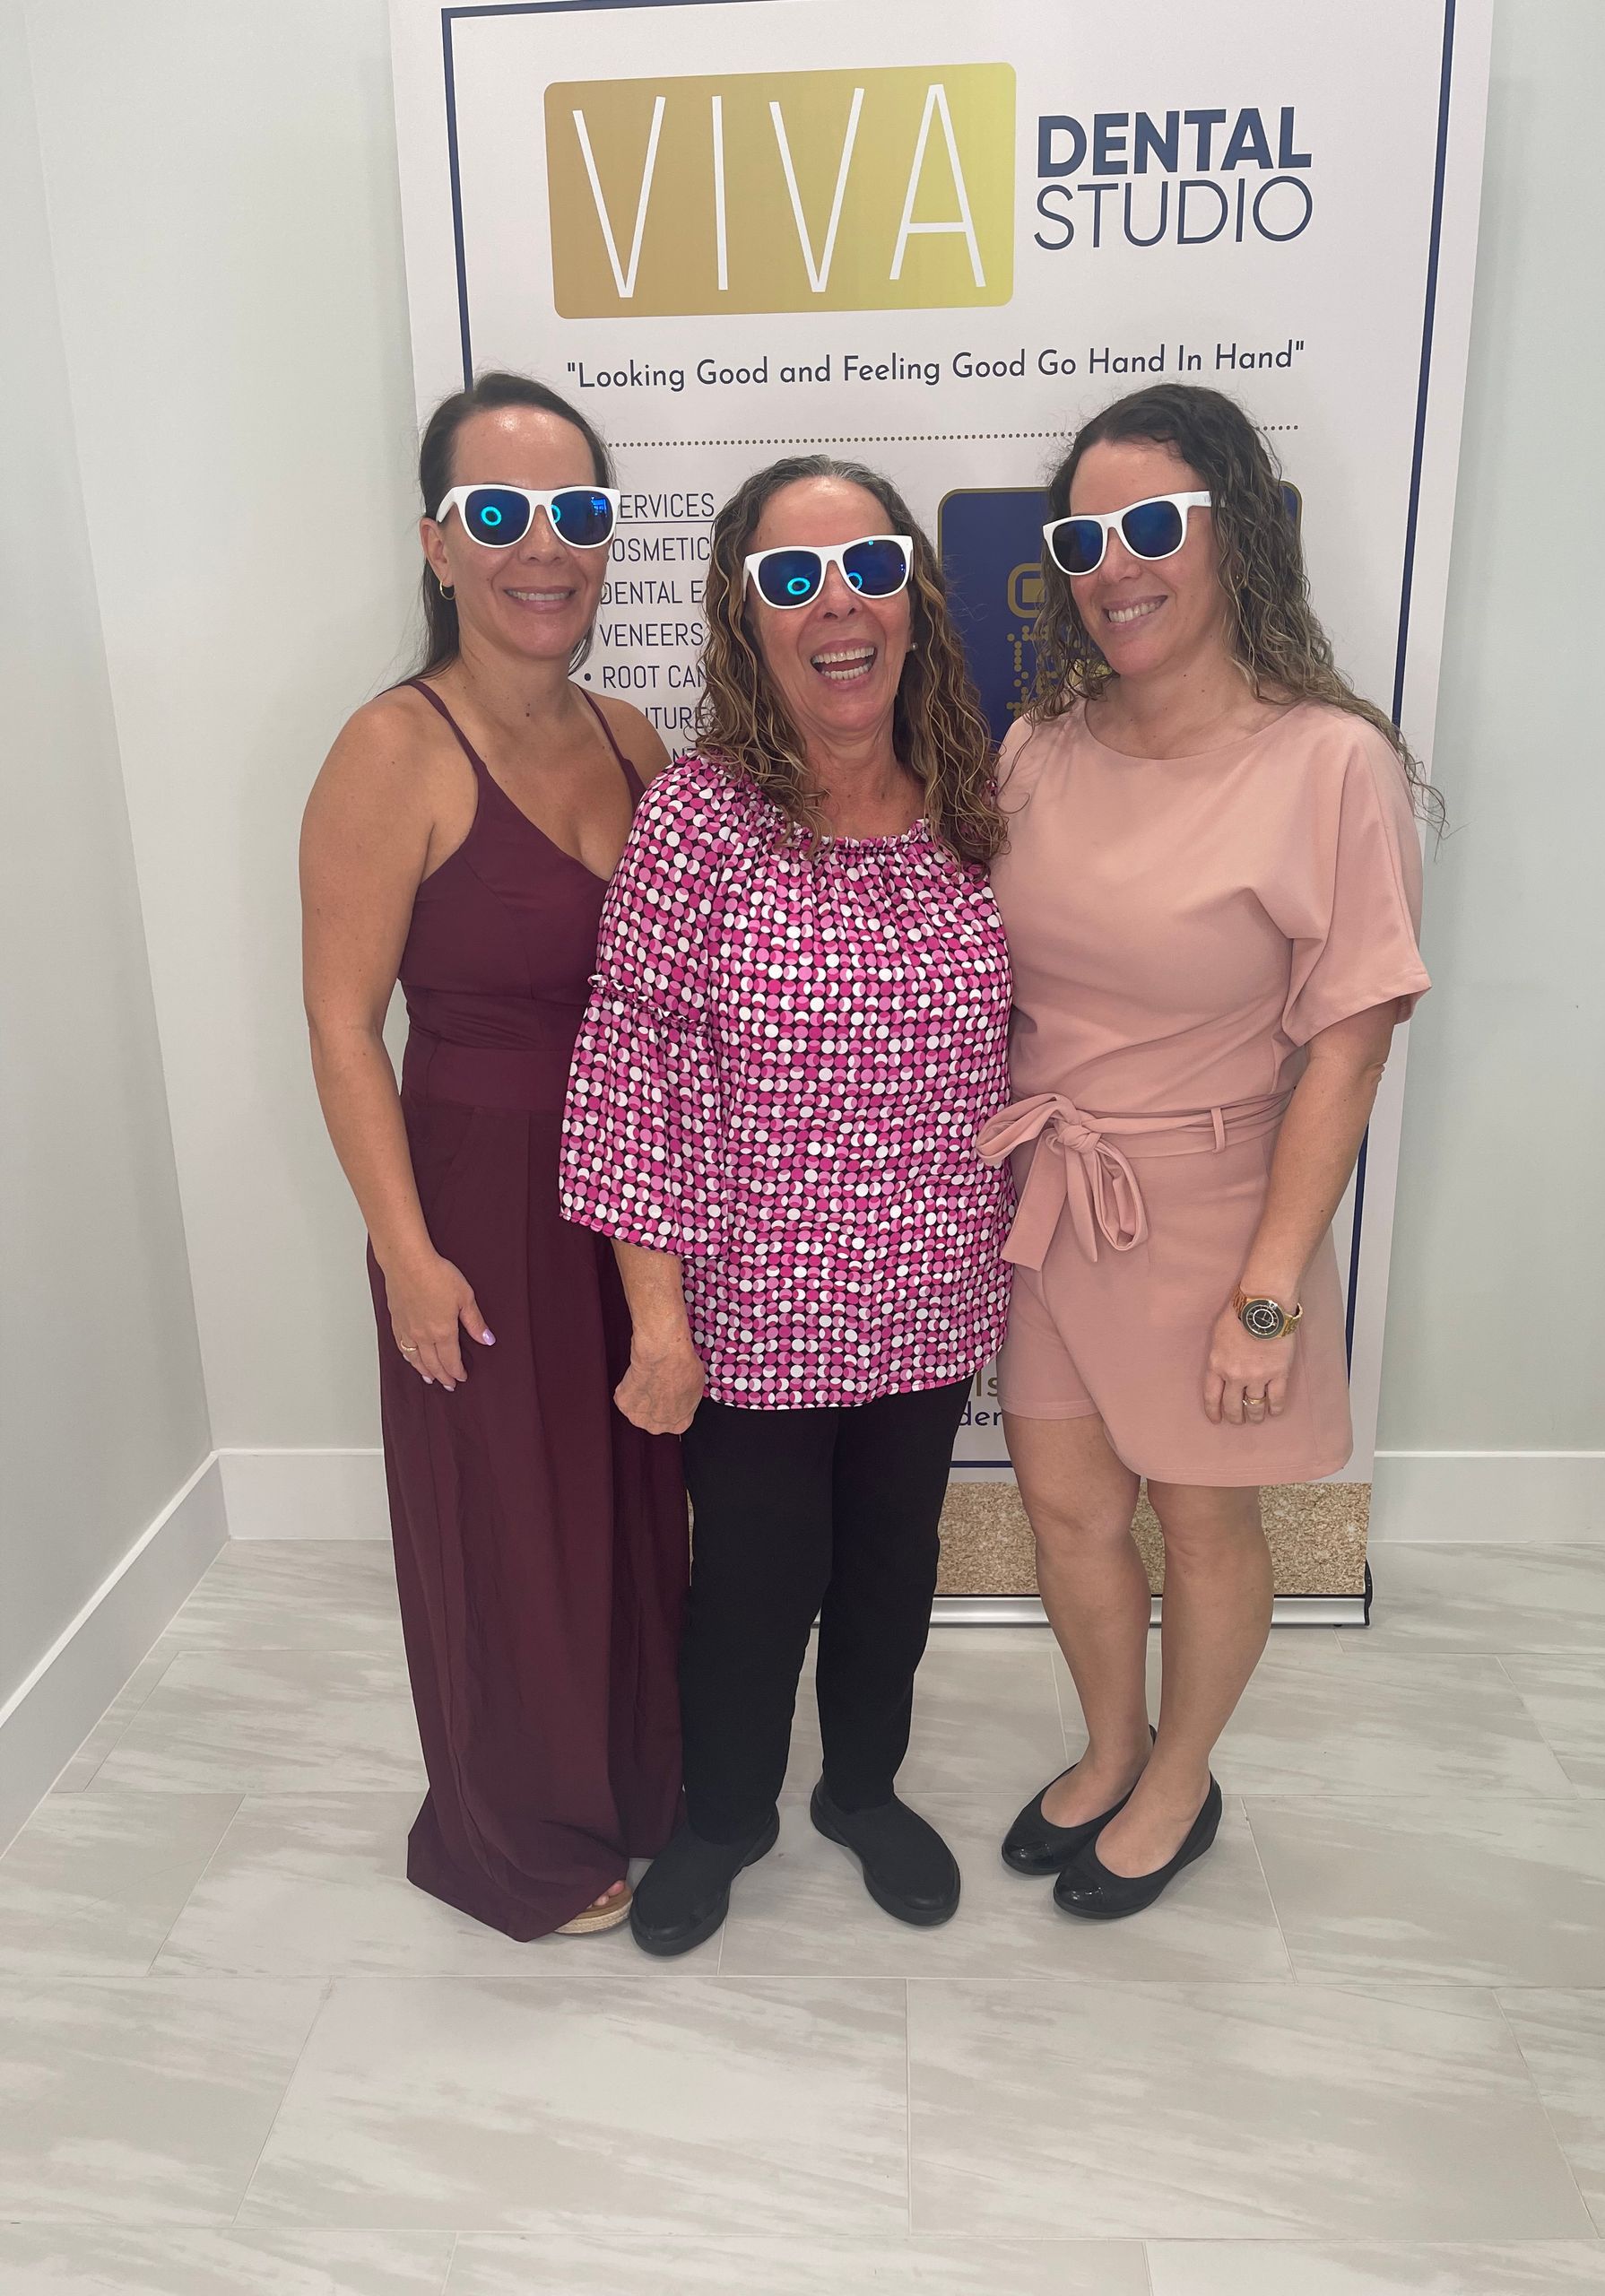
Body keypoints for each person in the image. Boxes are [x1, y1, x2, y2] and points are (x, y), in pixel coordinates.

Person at [982, 383, 1432, 1919]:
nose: (1114, 566)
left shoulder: (1329, 764)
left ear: (1234, 531)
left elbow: (1349, 1046)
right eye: (1083, 539)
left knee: (1201, 1517)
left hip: (1219, 1214)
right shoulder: (1038, 748)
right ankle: (1111, 1747)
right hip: (1054, 1201)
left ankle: (1181, 1777)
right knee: (1067, 1509)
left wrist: (1269, 1291)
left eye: (1153, 526)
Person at [560, 455, 1012, 1956]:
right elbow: (630, 1076)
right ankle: (726, 1817)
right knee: (755, 1586)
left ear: (913, 598)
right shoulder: (698, 821)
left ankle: (862, 1792)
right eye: (792, 577)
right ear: (742, 614)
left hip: (932, 1298)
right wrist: (658, 1321)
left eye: (869, 569)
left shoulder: (974, 802)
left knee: (893, 1570)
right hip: (751, 1313)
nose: (838, 606)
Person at [299, 372, 687, 1941]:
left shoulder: (634, 737)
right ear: (439, 544)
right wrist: (405, 1252)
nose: (546, 546)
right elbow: (342, 1026)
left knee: (630, 1502)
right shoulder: (391, 750)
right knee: (506, 1522)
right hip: (477, 1194)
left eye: (577, 512)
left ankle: (638, 1785)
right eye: (501, 512)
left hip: (632, 1199)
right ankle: (514, 1835)